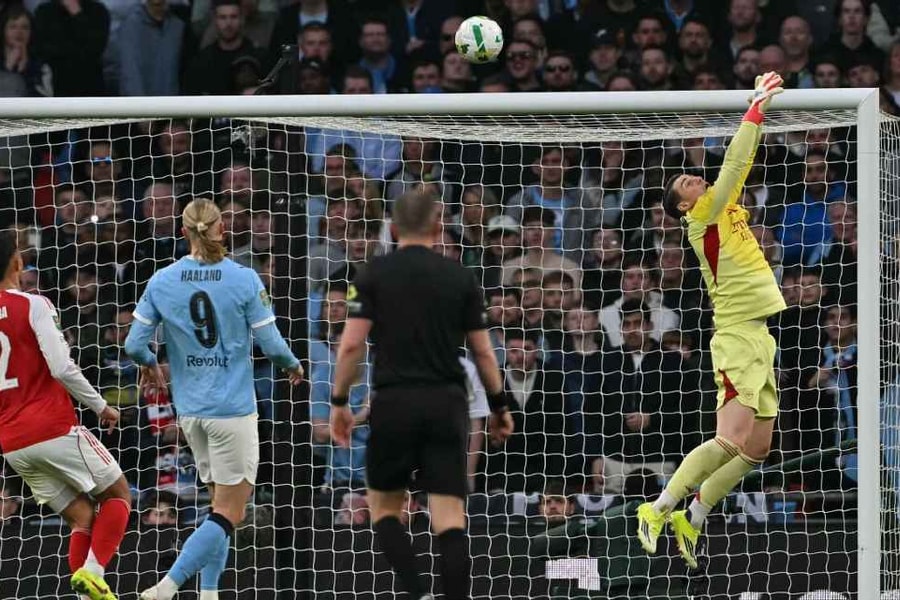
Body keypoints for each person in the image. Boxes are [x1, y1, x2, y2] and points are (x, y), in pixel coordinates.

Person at [329, 190, 514, 600]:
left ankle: (416, 592)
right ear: (437, 227)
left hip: (393, 402)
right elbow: (483, 350)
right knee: (449, 517)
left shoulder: (373, 275)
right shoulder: (460, 276)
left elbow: (350, 346)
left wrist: (340, 403)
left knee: (384, 509)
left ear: (393, 229)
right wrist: (500, 405)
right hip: (446, 404)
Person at [636, 71, 787, 569]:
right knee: (729, 439)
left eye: (694, 175)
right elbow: (736, 162)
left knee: (758, 448)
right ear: (683, 206)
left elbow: (735, 173)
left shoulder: (726, 210)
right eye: (686, 182)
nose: (696, 178)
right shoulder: (703, 218)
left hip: (759, 336)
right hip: (737, 337)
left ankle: (694, 514)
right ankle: (657, 508)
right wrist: (755, 108)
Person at [124, 198, 304, 600]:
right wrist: (293, 366)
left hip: (190, 414)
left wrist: (151, 365)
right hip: (233, 411)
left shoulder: (161, 280)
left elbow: (134, 344)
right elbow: (271, 345)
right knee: (230, 512)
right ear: (222, 229)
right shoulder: (243, 278)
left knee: (218, 508)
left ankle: (209, 594)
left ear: (184, 231)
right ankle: (166, 587)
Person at [0, 229, 131, 600]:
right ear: (17, 262)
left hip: (11, 442)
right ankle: (93, 573)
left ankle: (85, 594)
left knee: (82, 518)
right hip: (52, 427)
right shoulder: (34, 304)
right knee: (119, 495)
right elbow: (61, 367)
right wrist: (101, 406)